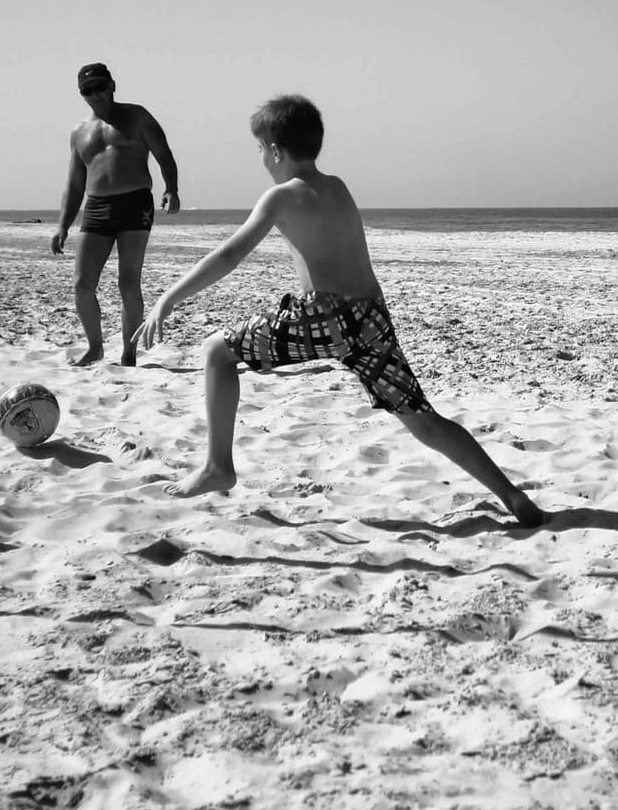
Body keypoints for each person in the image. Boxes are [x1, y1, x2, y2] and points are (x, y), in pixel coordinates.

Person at [136, 95, 544, 527]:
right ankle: (511, 494)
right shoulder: (338, 186)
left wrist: (169, 298)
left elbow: (228, 256)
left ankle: (218, 465)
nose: (260, 159)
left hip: (324, 317)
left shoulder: (279, 197)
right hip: (371, 319)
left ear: (275, 151)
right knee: (423, 420)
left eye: (259, 150)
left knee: (217, 352)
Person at [52, 62, 181, 366]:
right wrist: (62, 226)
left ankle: (128, 352)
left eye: (99, 87)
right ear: (80, 94)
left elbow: (164, 154)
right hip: (96, 207)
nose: (95, 94)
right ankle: (95, 347)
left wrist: (171, 188)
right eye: (87, 90)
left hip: (135, 202)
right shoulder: (79, 133)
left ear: (112, 85)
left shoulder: (137, 116)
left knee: (128, 281)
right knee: (82, 284)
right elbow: (74, 184)